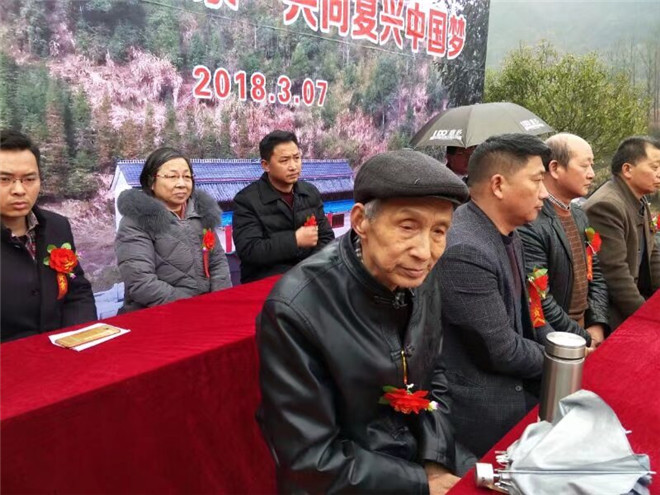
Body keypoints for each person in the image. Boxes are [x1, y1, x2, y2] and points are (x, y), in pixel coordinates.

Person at [257, 150, 471, 494]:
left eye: (439, 231)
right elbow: (310, 458)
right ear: (361, 221)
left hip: (419, 456)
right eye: (407, 226)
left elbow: (435, 375)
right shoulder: (296, 308)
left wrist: (435, 459)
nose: (424, 251)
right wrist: (420, 483)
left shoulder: (418, 274)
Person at [435, 133, 554, 458]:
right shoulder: (465, 249)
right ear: (498, 185)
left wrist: (564, 346)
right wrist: (562, 362)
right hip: (484, 414)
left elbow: (530, 315)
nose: (544, 193)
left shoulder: (509, 234)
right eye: (537, 180)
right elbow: (502, 350)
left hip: (521, 386)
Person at [1, 129, 96, 342]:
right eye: (5, 179)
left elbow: (77, 292)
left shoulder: (56, 226)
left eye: (29, 179)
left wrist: (75, 340)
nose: (19, 190)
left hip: (63, 349)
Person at [518, 133, 609, 351]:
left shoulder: (579, 214)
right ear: (555, 168)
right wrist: (582, 337)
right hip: (556, 339)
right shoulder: (531, 222)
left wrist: (597, 322)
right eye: (584, 166)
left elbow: (594, 273)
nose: (591, 174)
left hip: (585, 329)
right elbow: (540, 297)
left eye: (592, 165)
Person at [115, 147, 231, 312]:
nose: (181, 184)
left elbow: (218, 262)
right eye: (172, 177)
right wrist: (195, 307)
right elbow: (141, 282)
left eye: (187, 176)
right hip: (160, 313)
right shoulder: (135, 221)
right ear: (151, 182)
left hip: (208, 308)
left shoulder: (201, 212)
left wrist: (219, 301)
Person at [232, 130, 334, 283]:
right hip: (267, 281)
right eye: (284, 160)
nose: (293, 166)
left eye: (297, 158)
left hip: (309, 276)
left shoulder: (310, 192)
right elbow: (249, 250)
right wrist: (295, 240)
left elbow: (326, 237)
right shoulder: (246, 200)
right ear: (266, 165)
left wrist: (308, 268)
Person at [583, 136, 660, 329]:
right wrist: (647, 318)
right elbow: (615, 274)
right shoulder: (606, 206)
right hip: (613, 314)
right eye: (654, 167)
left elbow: (652, 254)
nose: (659, 174)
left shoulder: (639, 198)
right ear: (627, 170)